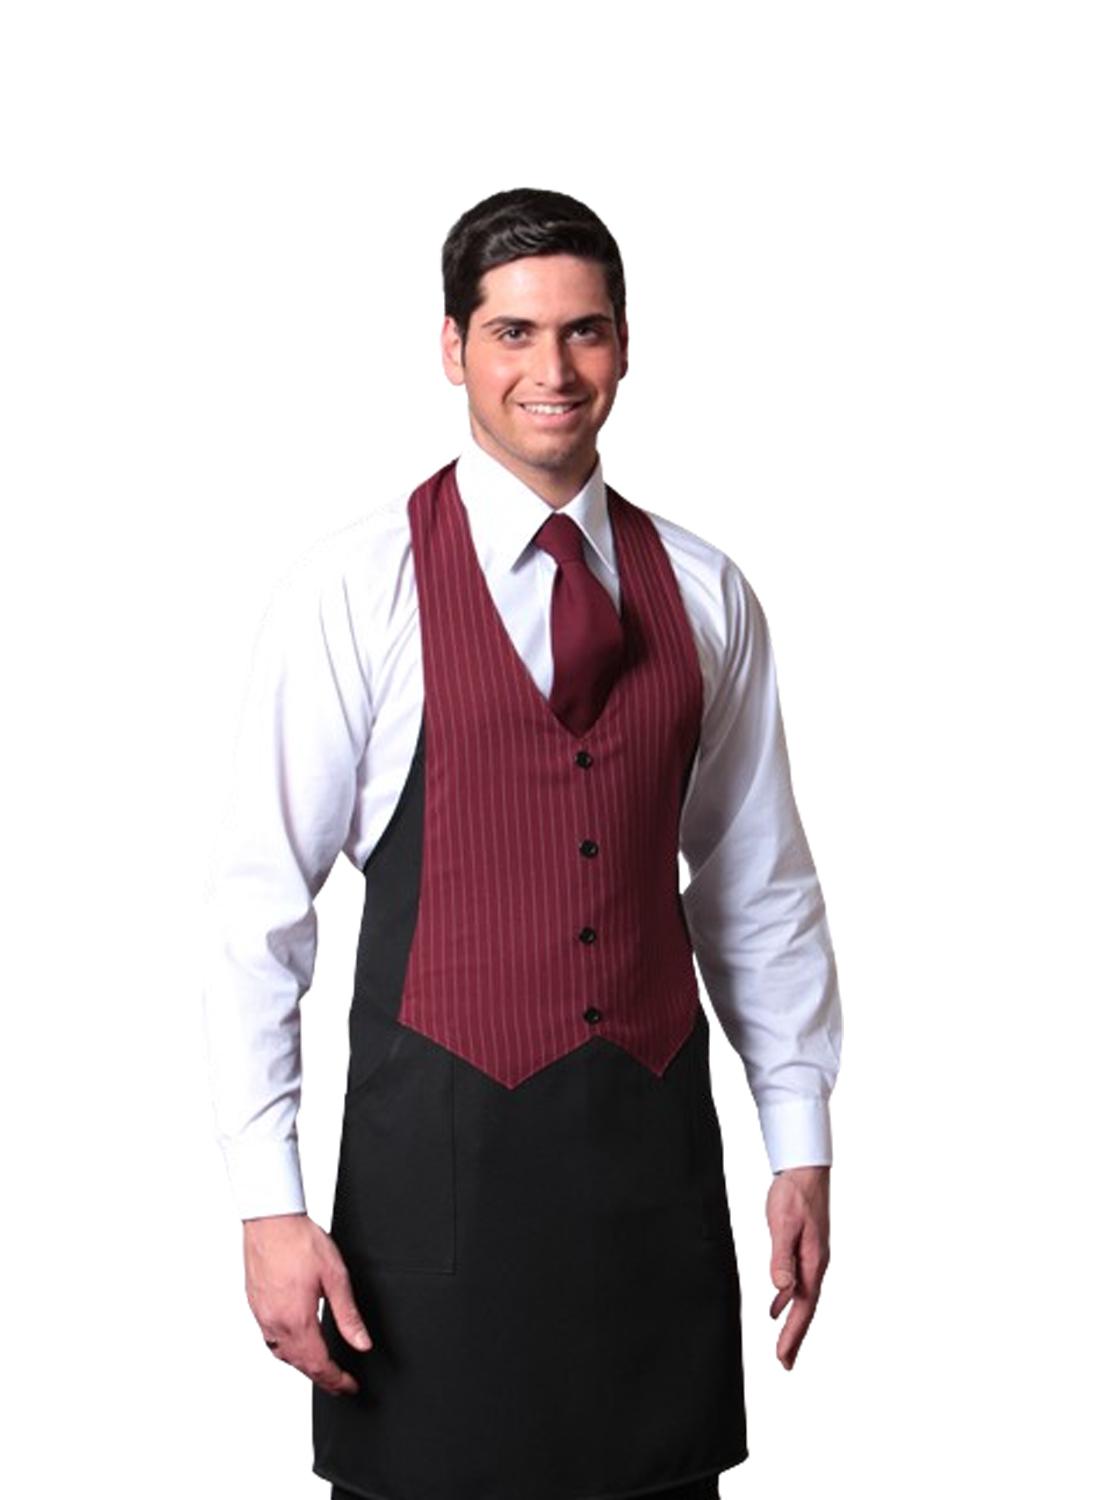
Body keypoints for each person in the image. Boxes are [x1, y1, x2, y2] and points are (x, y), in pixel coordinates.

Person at [202, 186, 842, 1500]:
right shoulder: (356, 589)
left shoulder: (707, 592)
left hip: (654, 1198)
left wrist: (799, 1138)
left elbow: (757, 888)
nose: (552, 369)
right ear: (454, 348)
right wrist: (269, 1202)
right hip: (434, 1205)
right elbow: (257, 914)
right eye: (513, 332)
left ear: (624, 345)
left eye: (583, 330)